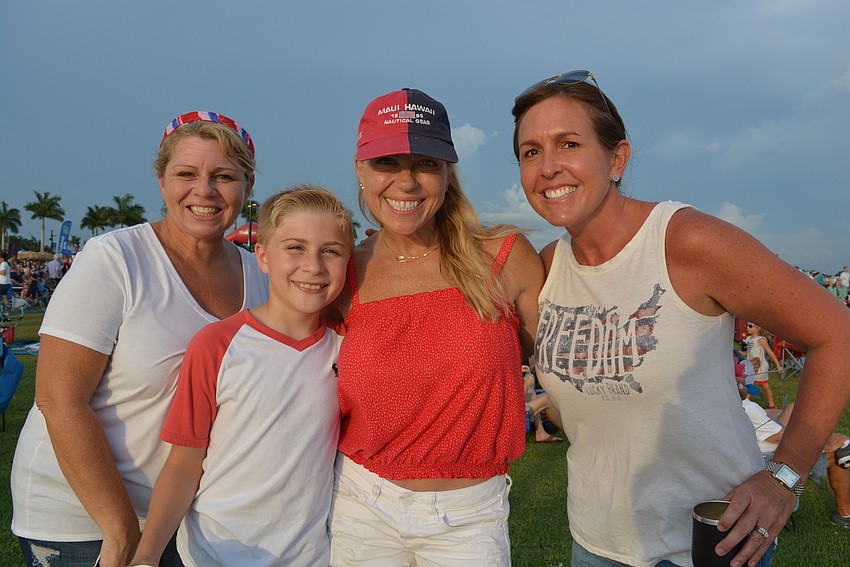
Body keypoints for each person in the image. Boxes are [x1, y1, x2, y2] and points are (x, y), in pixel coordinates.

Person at [511, 70, 850, 567]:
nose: (548, 167)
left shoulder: (683, 240)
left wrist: (784, 476)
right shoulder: (546, 268)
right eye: (530, 152)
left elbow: (836, 333)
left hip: (712, 542)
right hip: (596, 543)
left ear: (617, 158)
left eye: (568, 144)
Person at [10, 111, 269, 567]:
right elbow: (59, 399)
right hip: (86, 523)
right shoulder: (115, 260)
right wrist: (120, 529)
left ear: (247, 187)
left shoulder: (260, 274)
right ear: (161, 179)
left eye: (224, 176)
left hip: (189, 520)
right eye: (185, 174)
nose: (204, 191)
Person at [328, 88, 544, 566]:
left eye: (425, 163)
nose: (406, 182)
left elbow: (556, 367)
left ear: (448, 173)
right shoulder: (343, 273)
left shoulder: (503, 258)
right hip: (362, 503)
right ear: (361, 171)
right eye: (386, 162)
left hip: (470, 516)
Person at [130, 186, 353, 567]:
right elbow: (184, 464)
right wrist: (146, 555)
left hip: (310, 555)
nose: (313, 266)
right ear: (263, 257)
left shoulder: (348, 347)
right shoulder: (217, 345)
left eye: (330, 251)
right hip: (214, 553)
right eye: (295, 247)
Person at [736, 378, 850, 529]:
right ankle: (844, 513)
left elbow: (765, 415)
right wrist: (827, 443)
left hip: (753, 449)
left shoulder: (731, 404)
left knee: (792, 408)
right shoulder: (746, 407)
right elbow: (785, 438)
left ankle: (836, 441)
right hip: (769, 458)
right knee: (837, 452)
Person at [744, 322, 783, 409]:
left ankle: (745, 404)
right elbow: (748, 352)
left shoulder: (761, 340)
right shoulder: (749, 339)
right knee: (760, 385)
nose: (747, 327)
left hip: (760, 366)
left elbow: (770, 352)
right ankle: (771, 404)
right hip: (751, 365)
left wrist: (778, 365)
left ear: (758, 328)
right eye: (746, 325)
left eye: (750, 326)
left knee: (757, 384)